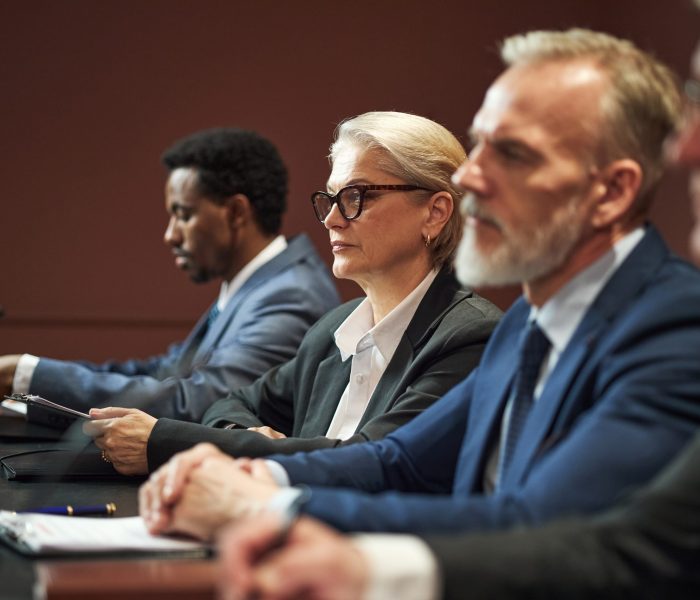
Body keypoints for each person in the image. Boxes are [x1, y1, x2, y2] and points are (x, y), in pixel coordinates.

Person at [139, 27, 700, 552]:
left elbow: (544, 529)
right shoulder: (528, 322)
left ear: (612, 193)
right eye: (478, 145)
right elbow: (398, 460)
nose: (470, 176)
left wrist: (270, 507)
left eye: (511, 152)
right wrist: (253, 473)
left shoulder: (675, 325)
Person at [82, 111, 502, 475]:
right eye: (331, 199)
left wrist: (172, 442)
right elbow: (229, 404)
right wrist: (244, 437)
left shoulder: (470, 337)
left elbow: (373, 461)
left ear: (435, 212)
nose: (333, 220)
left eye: (356, 197)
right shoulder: (333, 330)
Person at [0, 128, 340, 423]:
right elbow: (166, 372)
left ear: (236, 212)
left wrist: (25, 375)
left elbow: (198, 403)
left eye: (184, 214)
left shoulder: (291, 295)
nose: (170, 235)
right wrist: (30, 374)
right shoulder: (256, 284)